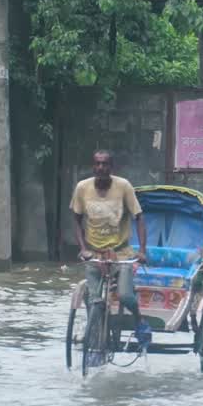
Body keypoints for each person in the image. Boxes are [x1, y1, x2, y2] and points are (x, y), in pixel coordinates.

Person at [70, 150, 150, 360]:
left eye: (105, 164)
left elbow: (139, 218)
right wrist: (83, 248)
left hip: (121, 253)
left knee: (124, 294)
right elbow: (76, 221)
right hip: (94, 255)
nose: (101, 168)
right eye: (97, 164)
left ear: (111, 168)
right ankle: (96, 342)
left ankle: (140, 320)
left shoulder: (123, 186)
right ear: (93, 166)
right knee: (94, 301)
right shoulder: (82, 188)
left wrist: (142, 250)